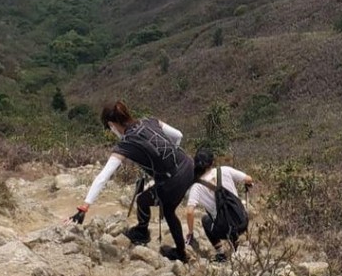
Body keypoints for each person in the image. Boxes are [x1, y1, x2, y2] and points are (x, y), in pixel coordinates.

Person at [70, 101, 194, 262]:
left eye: (110, 128)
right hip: (188, 165)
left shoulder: (126, 144)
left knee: (166, 210)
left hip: (173, 180)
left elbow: (103, 176)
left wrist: (85, 206)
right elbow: (178, 135)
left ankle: (179, 252)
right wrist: (170, 159)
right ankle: (143, 232)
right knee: (144, 199)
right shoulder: (150, 121)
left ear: (111, 125)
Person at [185, 147, 253, 261]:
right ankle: (237, 242)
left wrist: (191, 232)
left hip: (224, 230)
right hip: (242, 222)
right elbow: (248, 179)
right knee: (237, 210)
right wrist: (249, 184)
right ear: (212, 162)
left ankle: (220, 253)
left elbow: (189, 212)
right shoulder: (225, 170)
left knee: (206, 220)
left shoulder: (196, 187)